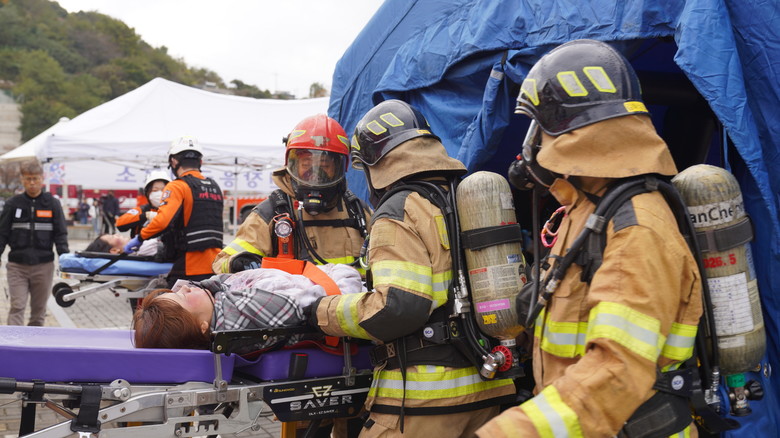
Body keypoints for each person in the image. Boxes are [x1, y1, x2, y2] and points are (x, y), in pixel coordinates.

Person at [476, 39, 703, 437]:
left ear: (570, 131)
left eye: (538, 127)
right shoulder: (586, 212)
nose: (532, 143)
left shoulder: (637, 228)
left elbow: (615, 372)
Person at [309, 100, 516, 437]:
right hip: (487, 391)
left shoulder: (400, 208)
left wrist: (321, 311)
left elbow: (396, 309)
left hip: (423, 403)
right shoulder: (462, 196)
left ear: (376, 164)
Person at [212, 114, 370, 275]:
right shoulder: (272, 213)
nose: (314, 174)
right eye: (306, 164)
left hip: (349, 299)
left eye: (324, 164)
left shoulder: (357, 212)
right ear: (292, 165)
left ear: (339, 167)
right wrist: (238, 262)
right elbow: (221, 262)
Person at [132, 264, 363, 352]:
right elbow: (337, 295)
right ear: (202, 328)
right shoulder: (243, 311)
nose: (186, 288)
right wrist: (343, 270)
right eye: (182, 298)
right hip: (347, 291)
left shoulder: (222, 306)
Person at [125, 136, 224, 287]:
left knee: (174, 308)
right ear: (200, 161)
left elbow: (163, 221)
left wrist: (140, 238)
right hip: (216, 263)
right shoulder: (214, 186)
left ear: (173, 161)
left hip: (190, 265)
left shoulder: (177, 186)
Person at [0, 160, 69, 326]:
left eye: (35, 179)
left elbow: (60, 234)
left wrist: (65, 259)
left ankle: (34, 348)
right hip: (17, 266)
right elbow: (2, 234)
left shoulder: (52, 204)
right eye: (28, 179)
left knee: (39, 311)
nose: (32, 183)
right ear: (22, 179)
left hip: (43, 266)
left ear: (42, 178)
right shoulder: (12, 204)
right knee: (17, 306)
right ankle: (14, 346)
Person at [116, 170, 170, 237]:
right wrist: (144, 216)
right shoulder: (141, 210)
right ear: (148, 193)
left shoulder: (174, 211)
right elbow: (119, 223)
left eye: (163, 190)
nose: (159, 193)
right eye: (155, 190)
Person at [85, 233, 159, 257]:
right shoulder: (144, 248)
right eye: (112, 237)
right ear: (114, 250)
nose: (116, 234)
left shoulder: (140, 246)